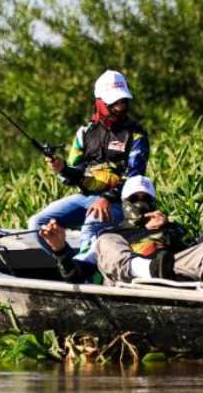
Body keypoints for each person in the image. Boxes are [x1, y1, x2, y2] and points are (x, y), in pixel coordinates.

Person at [28, 70, 149, 271]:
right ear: (100, 102)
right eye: (114, 103)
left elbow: (134, 176)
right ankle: (72, 264)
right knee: (36, 223)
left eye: (123, 101)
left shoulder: (136, 134)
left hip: (121, 203)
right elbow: (71, 178)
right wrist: (62, 169)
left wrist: (107, 199)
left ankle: (82, 271)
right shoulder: (85, 133)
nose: (120, 107)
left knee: (93, 220)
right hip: (86, 198)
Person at [82, 175, 203, 284]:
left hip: (170, 274)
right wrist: (60, 250)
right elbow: (78, 268)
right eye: (134, 199)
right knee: (104, 240)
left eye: (146, 199)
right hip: (129, 282)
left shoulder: (168, 228)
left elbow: (193, 250)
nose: (140, 203)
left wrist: (170, 228)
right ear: (124, 202)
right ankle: (148, 270)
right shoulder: (113, 234)